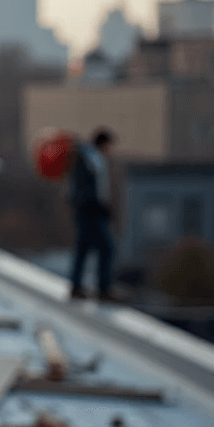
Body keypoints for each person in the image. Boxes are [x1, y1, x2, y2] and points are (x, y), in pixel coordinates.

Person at [69, 127, 117, 301]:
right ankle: (103, 289)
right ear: (103, 143)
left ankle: (76, 287)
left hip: (88, 211)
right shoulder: (91, 160)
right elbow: (88, 189)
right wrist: (100, 207)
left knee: (83, 249)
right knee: (106, 249)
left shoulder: (90, 159)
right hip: (91, 212)